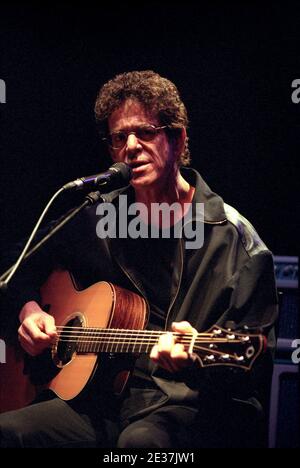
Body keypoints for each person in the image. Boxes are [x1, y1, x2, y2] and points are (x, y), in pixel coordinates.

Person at [0, 70, 278, 448]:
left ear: (177, 139)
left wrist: (193, 358)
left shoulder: (235, 241)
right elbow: (15, 269)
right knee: (10, 431)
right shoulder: (97, 215)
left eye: (144, 132)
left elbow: (255, 362)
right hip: (100, 403)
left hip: (188, 405)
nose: (130, 147)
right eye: (118, 138)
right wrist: (30, 311)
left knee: (141, 446)